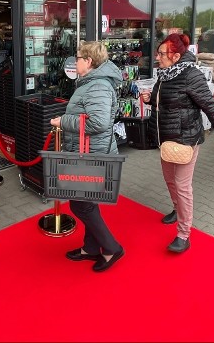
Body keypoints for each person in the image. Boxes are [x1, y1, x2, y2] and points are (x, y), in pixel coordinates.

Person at [142, 34, 214, 253]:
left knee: (182, 186)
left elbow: (210, 106)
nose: (157, 56)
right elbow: (163, 99)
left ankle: (184, 234)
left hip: (186, 138)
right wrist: (150, 98)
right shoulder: (164, 74)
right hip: (166, 138)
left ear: (175, 56)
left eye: (161, 53)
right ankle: (177, 209)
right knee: (170, 181)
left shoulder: (192, 75)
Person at [49, 41, 124, 272]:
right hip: (87, 151)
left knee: (81, 205)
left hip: (91, 154)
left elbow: (99, 122)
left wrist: (64, 121)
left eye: (78, 57)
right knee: (86, 202)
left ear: (89, 61)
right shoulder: (92, 83)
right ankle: (90, 248)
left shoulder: (97, 85)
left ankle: (111, 248)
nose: (75, 61)